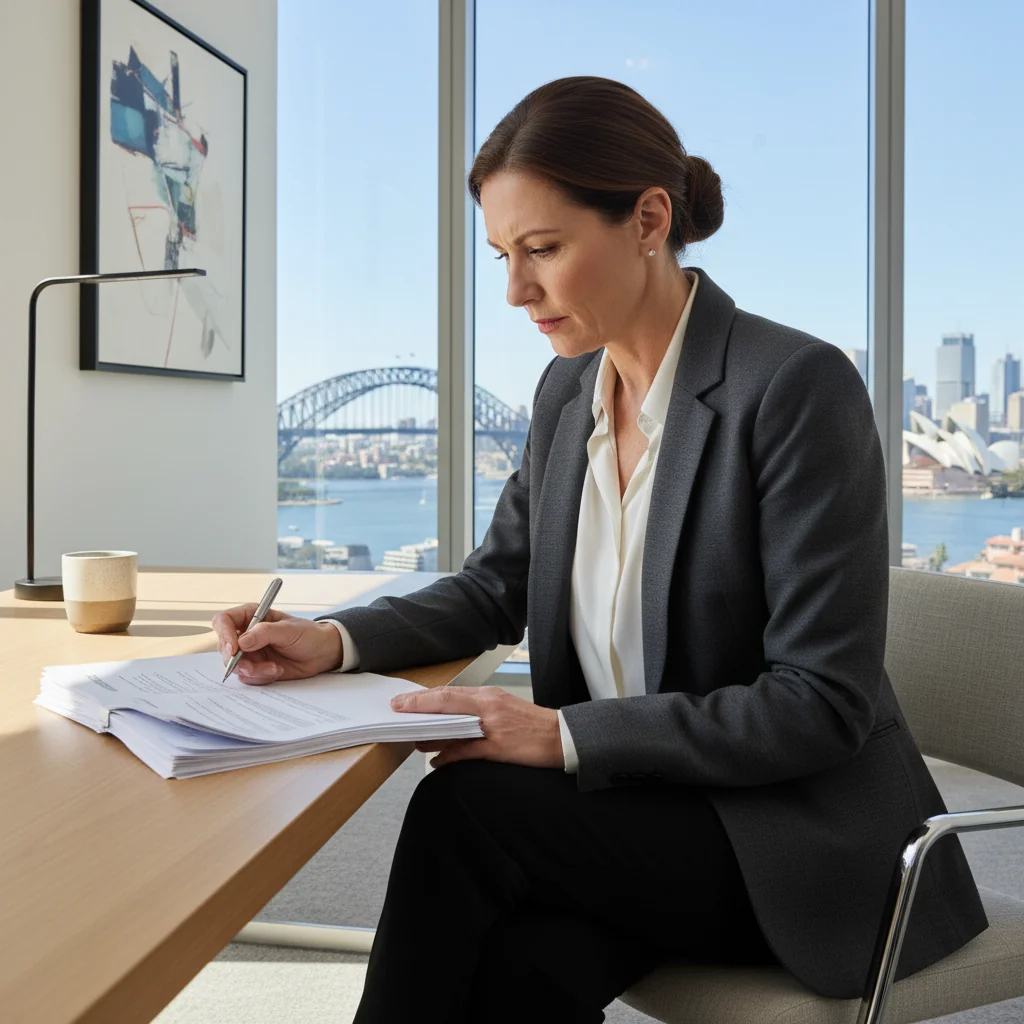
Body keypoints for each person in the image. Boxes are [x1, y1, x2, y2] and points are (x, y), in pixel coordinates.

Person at [212, 76, 987, 1023]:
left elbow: (819, 705)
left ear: (649, 219)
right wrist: (330, 640)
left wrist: (562, 734)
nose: (512, 290)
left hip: (792, 837)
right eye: (501, 254)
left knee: (468, 816)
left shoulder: (791, 387)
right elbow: (497, 586)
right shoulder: (567, 391)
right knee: (518, 964)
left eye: (542, 249)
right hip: (634, 813)